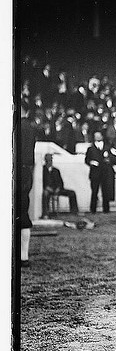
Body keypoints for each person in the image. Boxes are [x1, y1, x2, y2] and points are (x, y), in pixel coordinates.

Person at [84, 131, 116, 213]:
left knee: (106, 191)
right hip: (95, 173)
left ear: (102, 137)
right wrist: (91, 162)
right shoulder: (90, 148)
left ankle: (106, 209)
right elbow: (86, 160)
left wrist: (109, 160)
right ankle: (93, 209)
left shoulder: (107, 147)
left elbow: (112, 157)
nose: (97, 138)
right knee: (94, 191)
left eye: (98, 136)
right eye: (95, 136)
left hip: (105, 173)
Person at [19, 105, 36, 265]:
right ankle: (23, 256)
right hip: (25, 173)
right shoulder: (30, 128)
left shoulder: (16, 126)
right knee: (23, 212)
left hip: (17, 172)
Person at [41, 153, 79, 218]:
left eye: (51, 160)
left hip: (57, 189)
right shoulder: (42, 170)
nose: (50, 162)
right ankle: (46, 213)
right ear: (45, 161)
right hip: (48, 189)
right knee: (45, 194)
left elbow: (60, 182)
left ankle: (74, 211)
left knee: (72, 193)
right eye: (48, 160)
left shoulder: (56, 170)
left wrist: (58, 188)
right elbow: (42, 181)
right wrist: (47, 187)